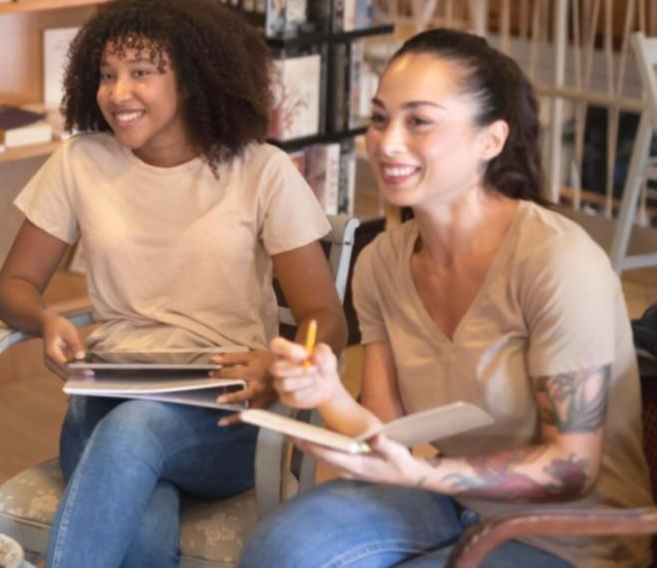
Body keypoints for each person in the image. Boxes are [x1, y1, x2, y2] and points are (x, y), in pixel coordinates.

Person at [240, 29, 654, 568]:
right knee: (279, 549)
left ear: (491, 140)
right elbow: (386, 434)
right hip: (455, 499)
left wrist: (421, 474)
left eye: (420, 121)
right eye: (381, 117)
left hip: (570, 536)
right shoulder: (382, 262)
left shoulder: (558, 262)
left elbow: (573, 469)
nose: (387, 142)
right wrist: (326, 392)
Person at [0, 0, 348, 568]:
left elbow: (326, 320)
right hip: (102, 404)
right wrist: (45, 319)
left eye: (141, 74)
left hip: (225, 414)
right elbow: (13, 288)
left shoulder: (262, 172)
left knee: (137, 432)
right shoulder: (79, 162)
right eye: (107, 75)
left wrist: (280, 366)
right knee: (146, 527)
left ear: (194, 79)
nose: (117, 93)